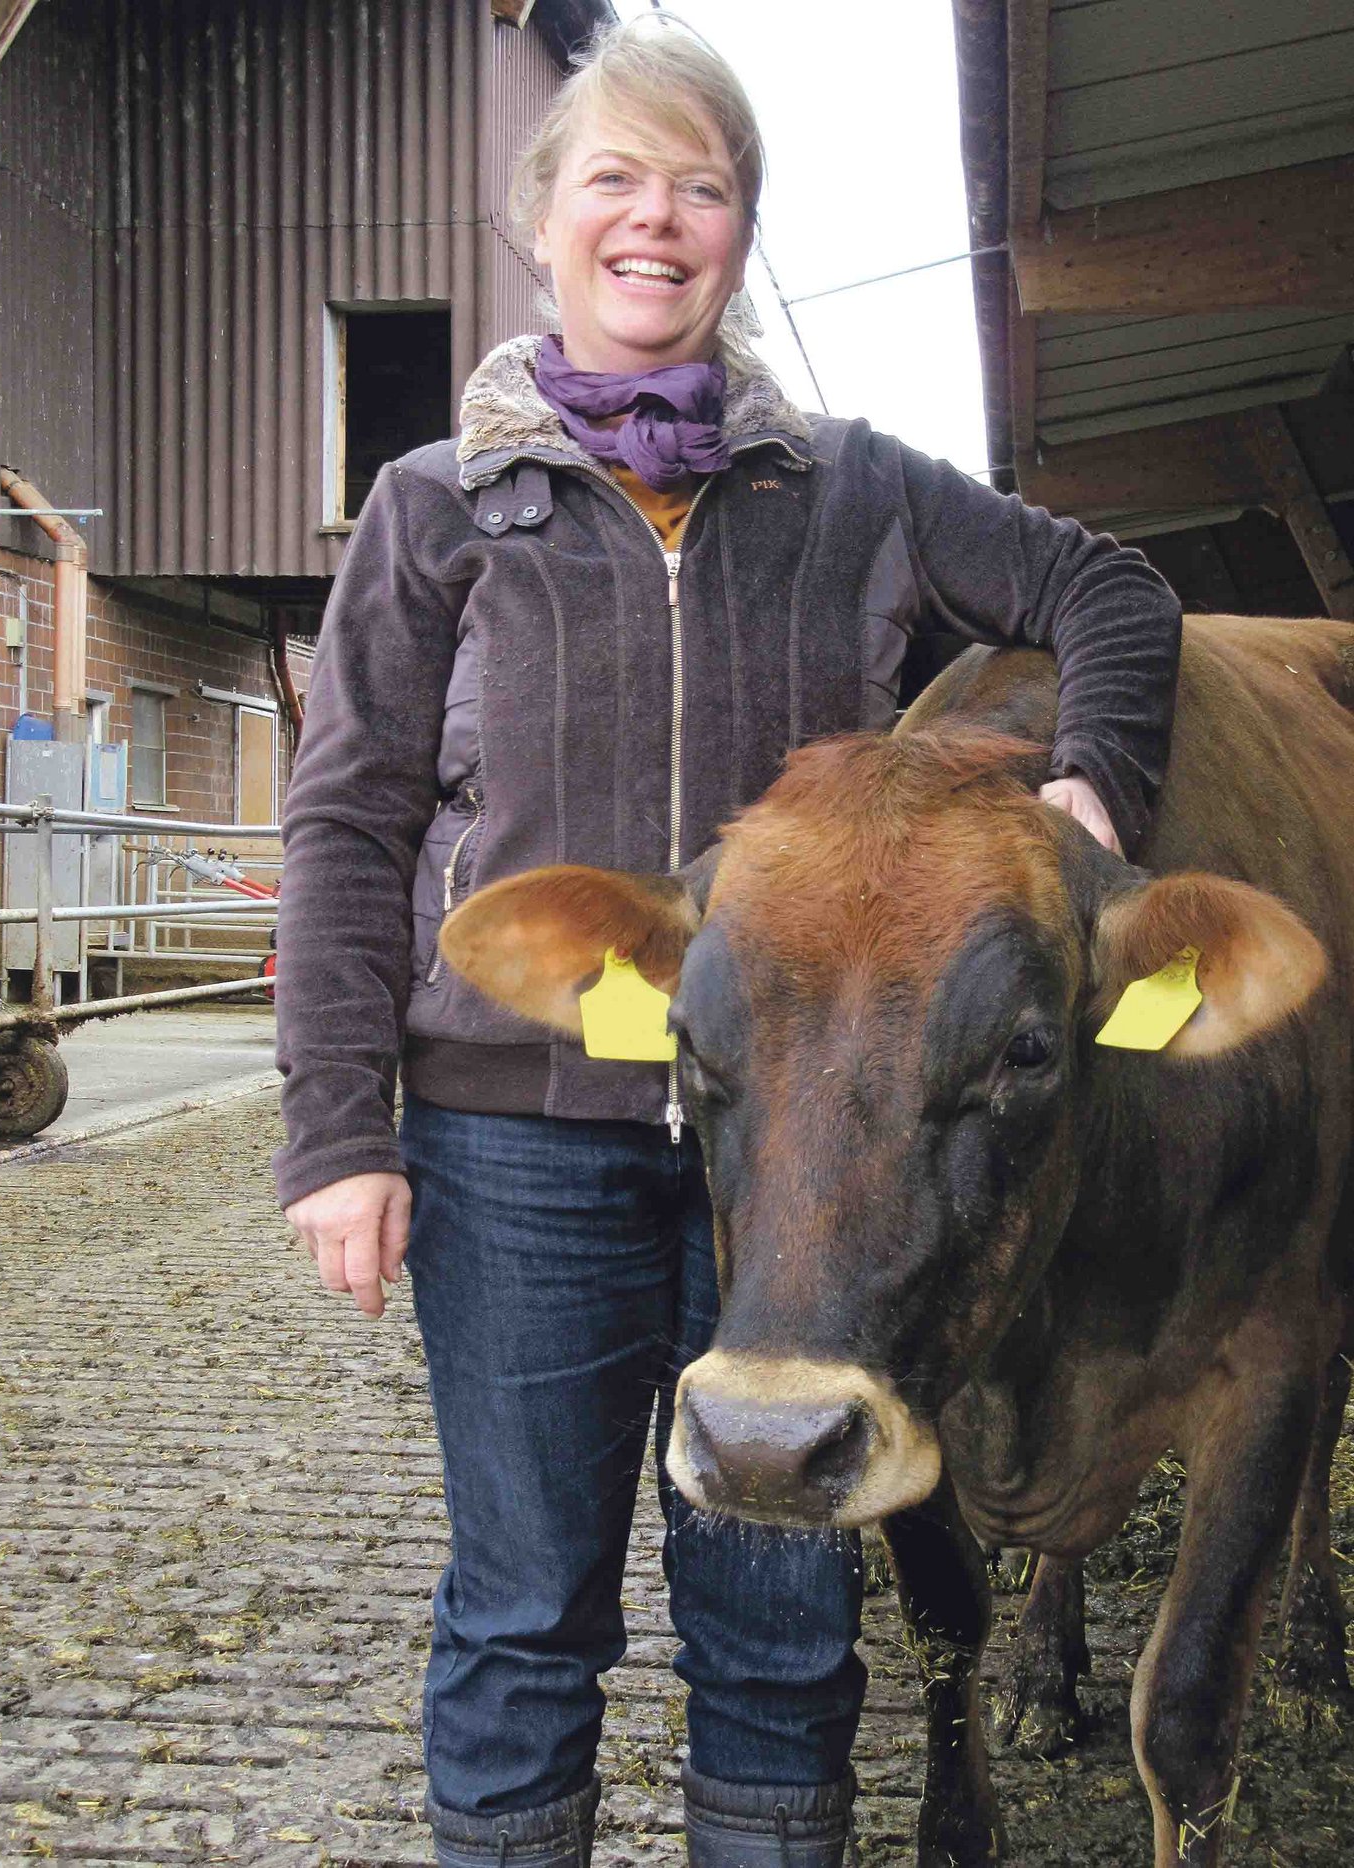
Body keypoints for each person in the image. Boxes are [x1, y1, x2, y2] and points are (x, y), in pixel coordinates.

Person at [275, 17, 1181, 1868]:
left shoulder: (850, 487)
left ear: (741, 233)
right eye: (615, 179)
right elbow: (347, 823)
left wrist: (1094, 789)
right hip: (512, 1134)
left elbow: (1108, 587)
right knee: (525, 1606)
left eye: (702, 188)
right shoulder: (437, 507)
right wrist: (339, 1134)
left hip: (807, 1149)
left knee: (782, 1621)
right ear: (543, 220)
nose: (656, 220)